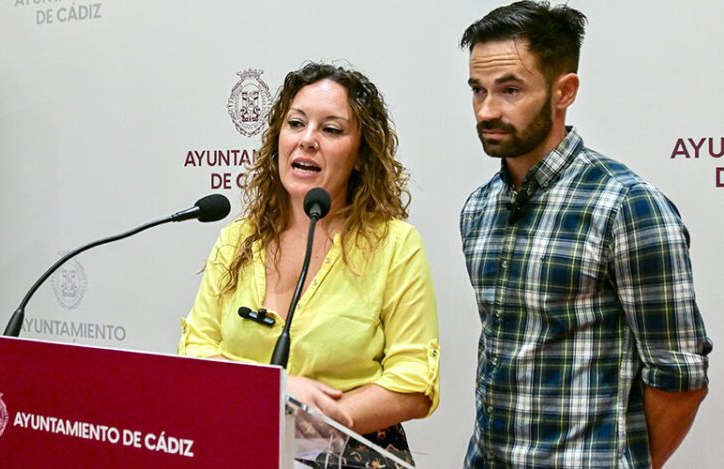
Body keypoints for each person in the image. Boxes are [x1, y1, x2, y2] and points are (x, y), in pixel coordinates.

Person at [458, 2, 712, 468]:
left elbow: (680, 377)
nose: (487, 110)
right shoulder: (479, 207)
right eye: (478, 90)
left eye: (510, 89)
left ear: (564, 91)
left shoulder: (626, 205)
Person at [178, 62, 439, 463]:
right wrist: (272, 392)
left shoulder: (393, 245)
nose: (307, 140)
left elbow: (414, 382)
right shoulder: (238, 239)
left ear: (360, 153)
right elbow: (196, 350)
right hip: (240, 442)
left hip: (351, 451)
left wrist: (318, 421)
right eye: (296, 124)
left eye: (331, 130)